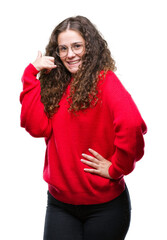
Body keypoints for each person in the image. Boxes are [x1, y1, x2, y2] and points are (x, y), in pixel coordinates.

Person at [20, 16, 147, 240]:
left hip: (104, 208)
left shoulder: (105, 82)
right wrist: (31, 74)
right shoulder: (56, 83)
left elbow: (132, 124)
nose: (70, 54)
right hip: (60, 204)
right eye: (63, 48)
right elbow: (36, 126)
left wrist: (116, 168)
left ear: (90, 47)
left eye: (77, 46)